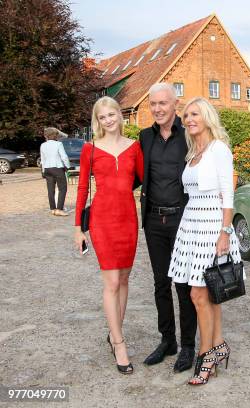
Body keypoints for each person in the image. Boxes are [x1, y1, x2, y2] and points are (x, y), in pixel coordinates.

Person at [167, 97, 242, 386]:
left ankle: (206, 355)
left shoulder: (218, 149)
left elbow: (228, 193)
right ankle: (219, 344)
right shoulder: (193, 152)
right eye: (186, 115)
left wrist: (225, 232)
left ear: (207, 117)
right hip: (191, 225)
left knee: (199, 295)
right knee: (208, 293)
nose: (188, 119)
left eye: (194, 114)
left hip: (212, 226)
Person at [74, 96, 144, 374]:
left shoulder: (135, 147)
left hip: (128, 217)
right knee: (112, 281)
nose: (108, 120)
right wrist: (78, 228)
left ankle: (115, 332)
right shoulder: (89, 149)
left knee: (125, 278)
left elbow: (142, 179)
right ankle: (119, 342)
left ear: (119, 115)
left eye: (111, 114)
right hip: (102, 220)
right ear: (98, 121)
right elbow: (81, 190)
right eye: (102, 117)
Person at [138, 83, 197, 372]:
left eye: (163, 103)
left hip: (183, 220)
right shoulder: (144, 137)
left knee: (184, 285)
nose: (158, 109)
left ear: (176, 104)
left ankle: (188, 346)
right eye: (153, 104)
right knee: (161, 283)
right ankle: (167, 341)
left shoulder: (189, 135)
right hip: (153, 221)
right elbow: (135, 176)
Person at [40, 127, 71, 216]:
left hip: (47, 169)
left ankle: (53, 209)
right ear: (54, 135)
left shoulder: (43, 145)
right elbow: (64, 156)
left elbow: (43, 159)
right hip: (57, 168)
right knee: (62, 188)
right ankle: (59, 209)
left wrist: (43, 171)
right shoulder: (58, 144)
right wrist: (68, 166)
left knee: (50, 190)